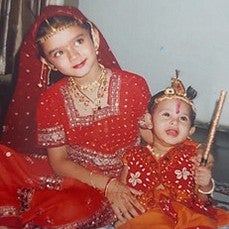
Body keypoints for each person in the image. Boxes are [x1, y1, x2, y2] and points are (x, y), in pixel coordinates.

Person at [0, 5, 151, 228]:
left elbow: (153, 139)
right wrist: (106, 185)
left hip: (125, 175)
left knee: (68, 211)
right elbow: (58, 162)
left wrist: (187, 154)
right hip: (77, 175)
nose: (73, 55)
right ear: (49, 63)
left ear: (95, 38)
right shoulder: (51, 100)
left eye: (78, 41)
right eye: (58, 53)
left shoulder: (133, 85)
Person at [118, 75, 229, 228]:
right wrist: (124, 215)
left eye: (183, 118)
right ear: (149, 121)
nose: (174, 121)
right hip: (147, 215)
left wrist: (205, 184)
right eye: (166, 114)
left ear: (191, 130)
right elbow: (123, 190)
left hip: (185, 214)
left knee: (204, 223)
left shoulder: (192, 156)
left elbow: (202, 199)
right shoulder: (133, 156)